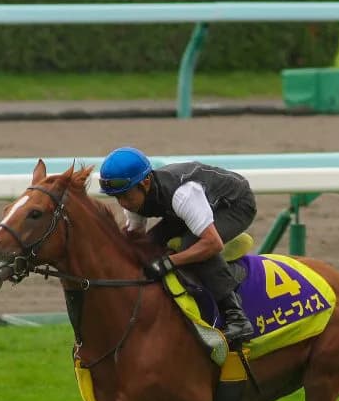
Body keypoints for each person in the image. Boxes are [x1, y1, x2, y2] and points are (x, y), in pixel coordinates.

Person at [98, 146, 256, 346]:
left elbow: (212, 243)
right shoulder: (137, 195)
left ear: (145, 183)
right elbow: (134, 238)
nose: (123, 203)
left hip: (235, 205)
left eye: (126, 196)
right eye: (117, 197)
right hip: (194, 208)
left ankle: (236, 317)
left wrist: (169, 262)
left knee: (193, 245)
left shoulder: (183, 195)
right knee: (150, 244)